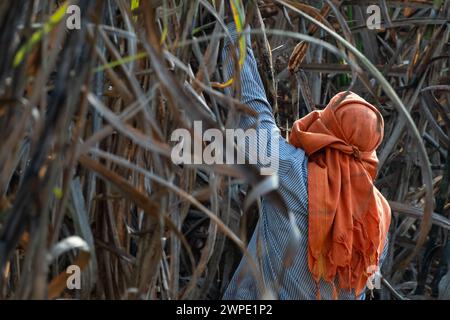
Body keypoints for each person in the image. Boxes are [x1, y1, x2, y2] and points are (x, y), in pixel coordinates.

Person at [221, 22, 391, 300]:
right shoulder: (380, 215)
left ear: (329, 130)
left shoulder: (293, 172)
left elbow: (251, 113)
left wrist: (234, 28)